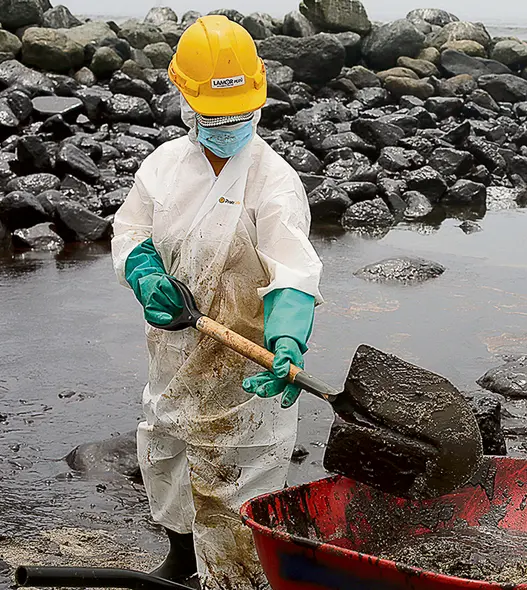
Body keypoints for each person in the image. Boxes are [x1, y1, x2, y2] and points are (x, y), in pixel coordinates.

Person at [110, 15, 323, 590]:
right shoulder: (163, 168)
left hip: (244, 361)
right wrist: (145, 272)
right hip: (176, 349)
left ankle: (234, 580)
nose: (228, 126)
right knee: (167, 456)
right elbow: (131, 231)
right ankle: (181, 560)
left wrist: (286, 336)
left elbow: (293, 267)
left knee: (237, 487)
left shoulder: (273, 182)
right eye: (216, 116)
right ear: (186, 101)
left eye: (239, 115)